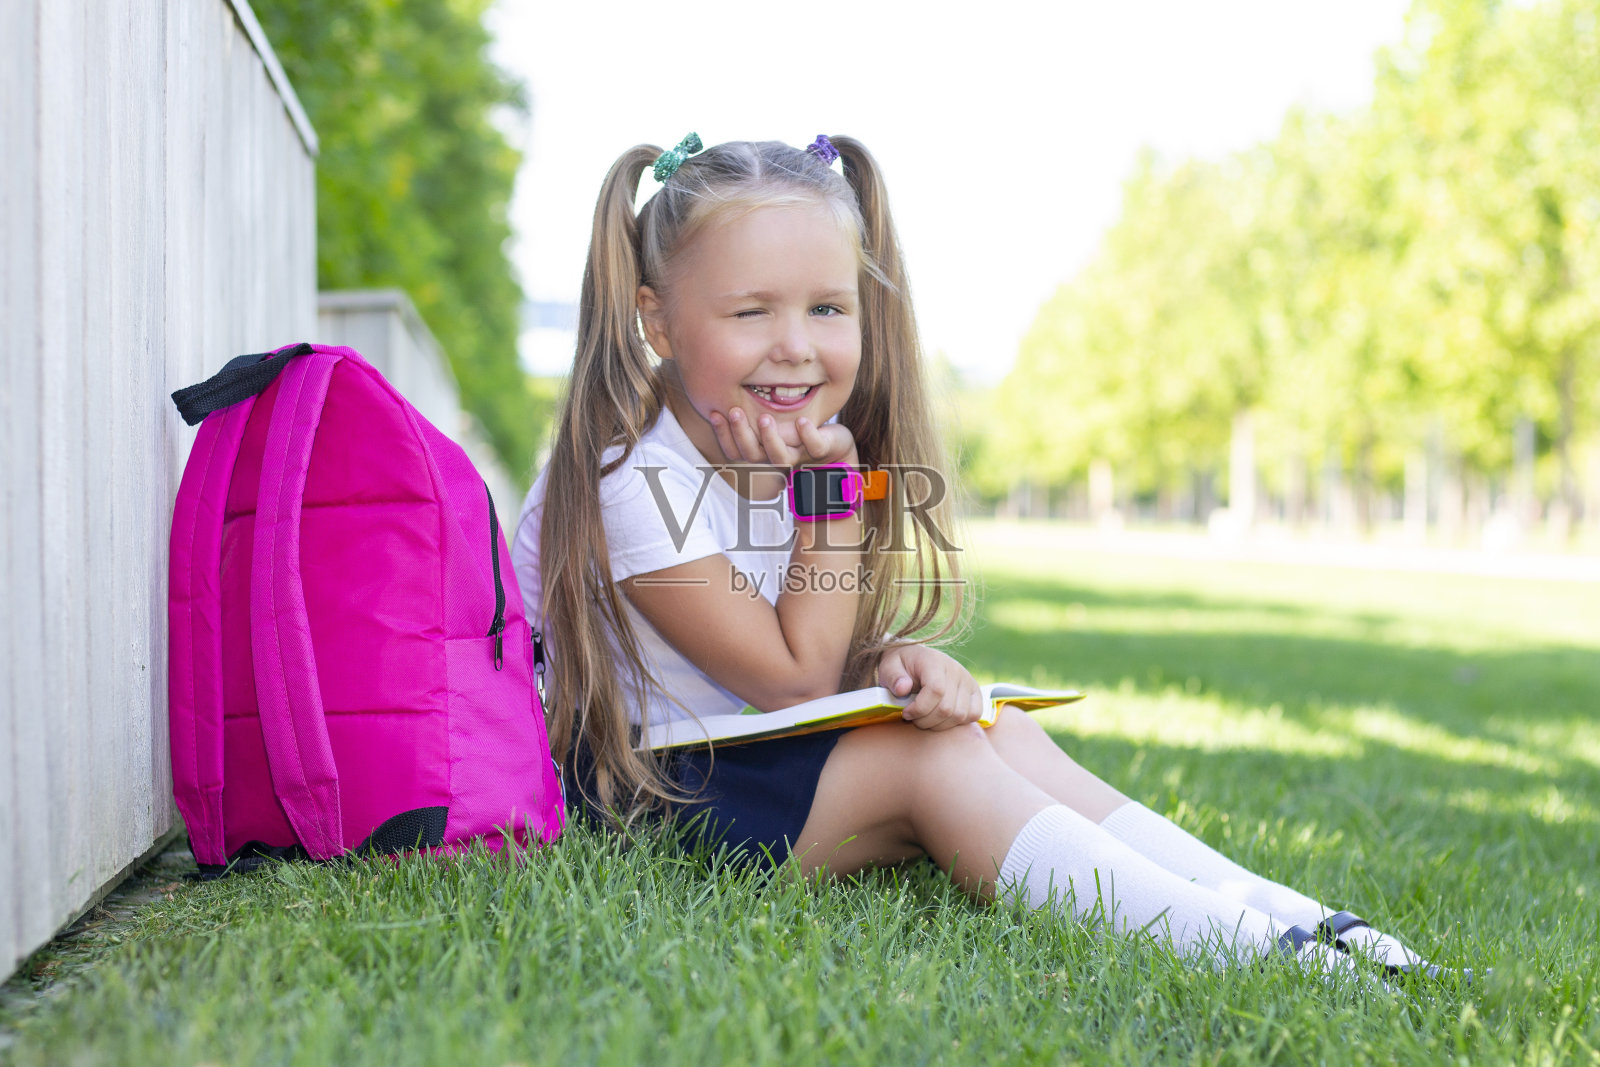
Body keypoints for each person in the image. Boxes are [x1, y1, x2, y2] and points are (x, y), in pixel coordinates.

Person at [512, 132, 1460, 979]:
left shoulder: (772, 448)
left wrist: (885, 665)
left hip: (726, 756)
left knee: (996, 730)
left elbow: (798, 649)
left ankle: (1295, 918)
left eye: (829, 309)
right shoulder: (628, 477)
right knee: (936, 769)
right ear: (658, 321)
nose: (797, 347)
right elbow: (792, 681)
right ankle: (1250, 953)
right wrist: (835, 492)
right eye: (751, 312)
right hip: (628, 792)